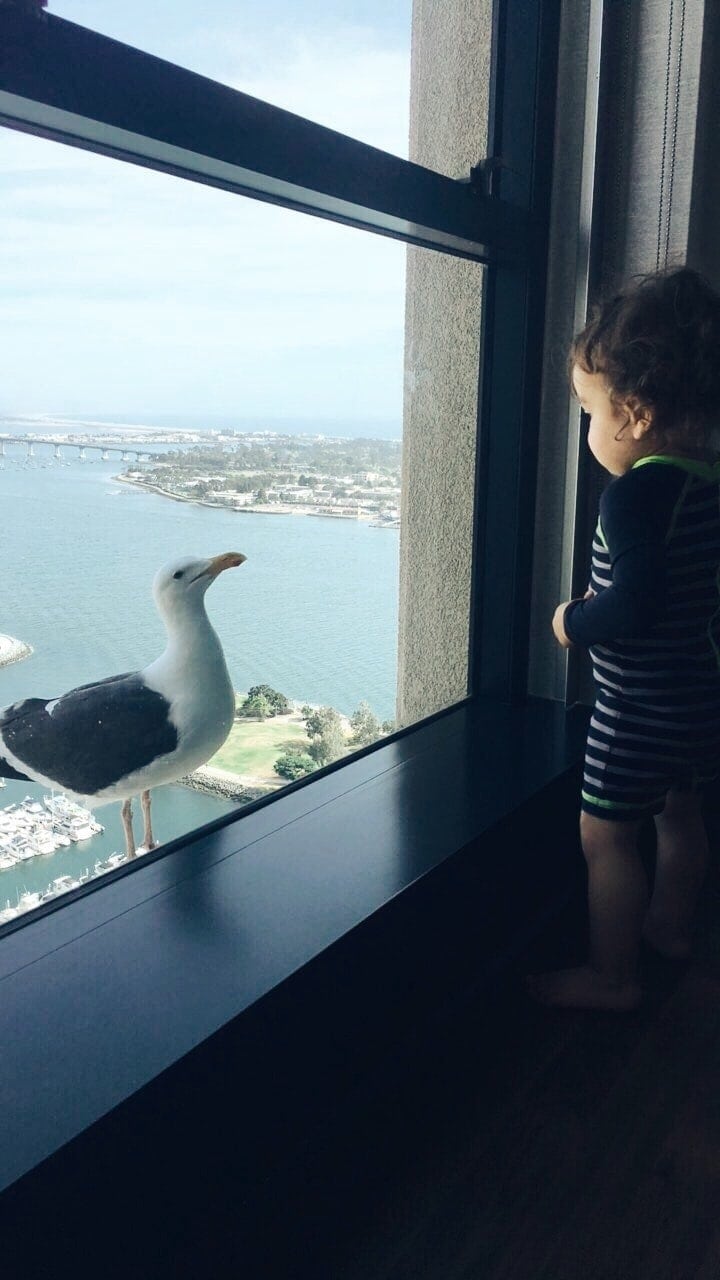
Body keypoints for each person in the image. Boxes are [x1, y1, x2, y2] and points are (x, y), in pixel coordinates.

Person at [531, 266, 720, 1010]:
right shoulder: (707, 482)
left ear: (634, 414)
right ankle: (672, 931)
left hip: (638, 709)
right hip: (700, 699)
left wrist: (572, 621)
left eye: (589, 409)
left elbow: (633, 605)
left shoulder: (634, 498)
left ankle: (612, 978)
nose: (588, 429)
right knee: (682, 818)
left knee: (606, 839)